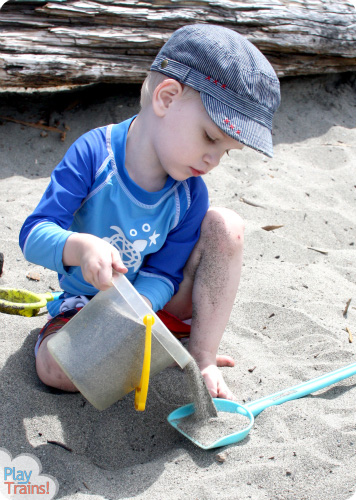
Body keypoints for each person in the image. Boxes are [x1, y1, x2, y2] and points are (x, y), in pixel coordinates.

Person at [19, 24, 280, 401]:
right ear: (167, 98)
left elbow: (164, 273)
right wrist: (81, 248)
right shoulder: (95, 155)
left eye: (227, 151)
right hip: (87, 305)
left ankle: (201, 355)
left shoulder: (190, 194)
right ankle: (146, 351)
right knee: (54, 370)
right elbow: (33, 235)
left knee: (227, 226)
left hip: (153, 309)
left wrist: (139, 307)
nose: (213, 160)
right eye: (209, 137)